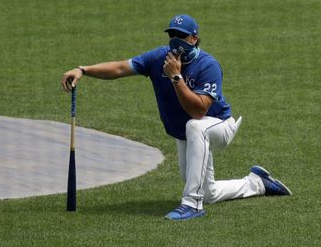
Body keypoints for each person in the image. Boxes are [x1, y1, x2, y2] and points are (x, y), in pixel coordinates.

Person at [60, 14, 291, 221]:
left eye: (181, 35)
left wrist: (176, 78)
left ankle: (191, 204)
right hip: (188, 133)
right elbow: (121, 68)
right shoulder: (158, 57)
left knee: (195, 127)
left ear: (194, 39)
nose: (175, 40)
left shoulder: (208, 65)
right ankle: (258, 182)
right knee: (207, 191)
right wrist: (84, 69)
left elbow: (199, 111)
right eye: (172, 34)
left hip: (219, 126)